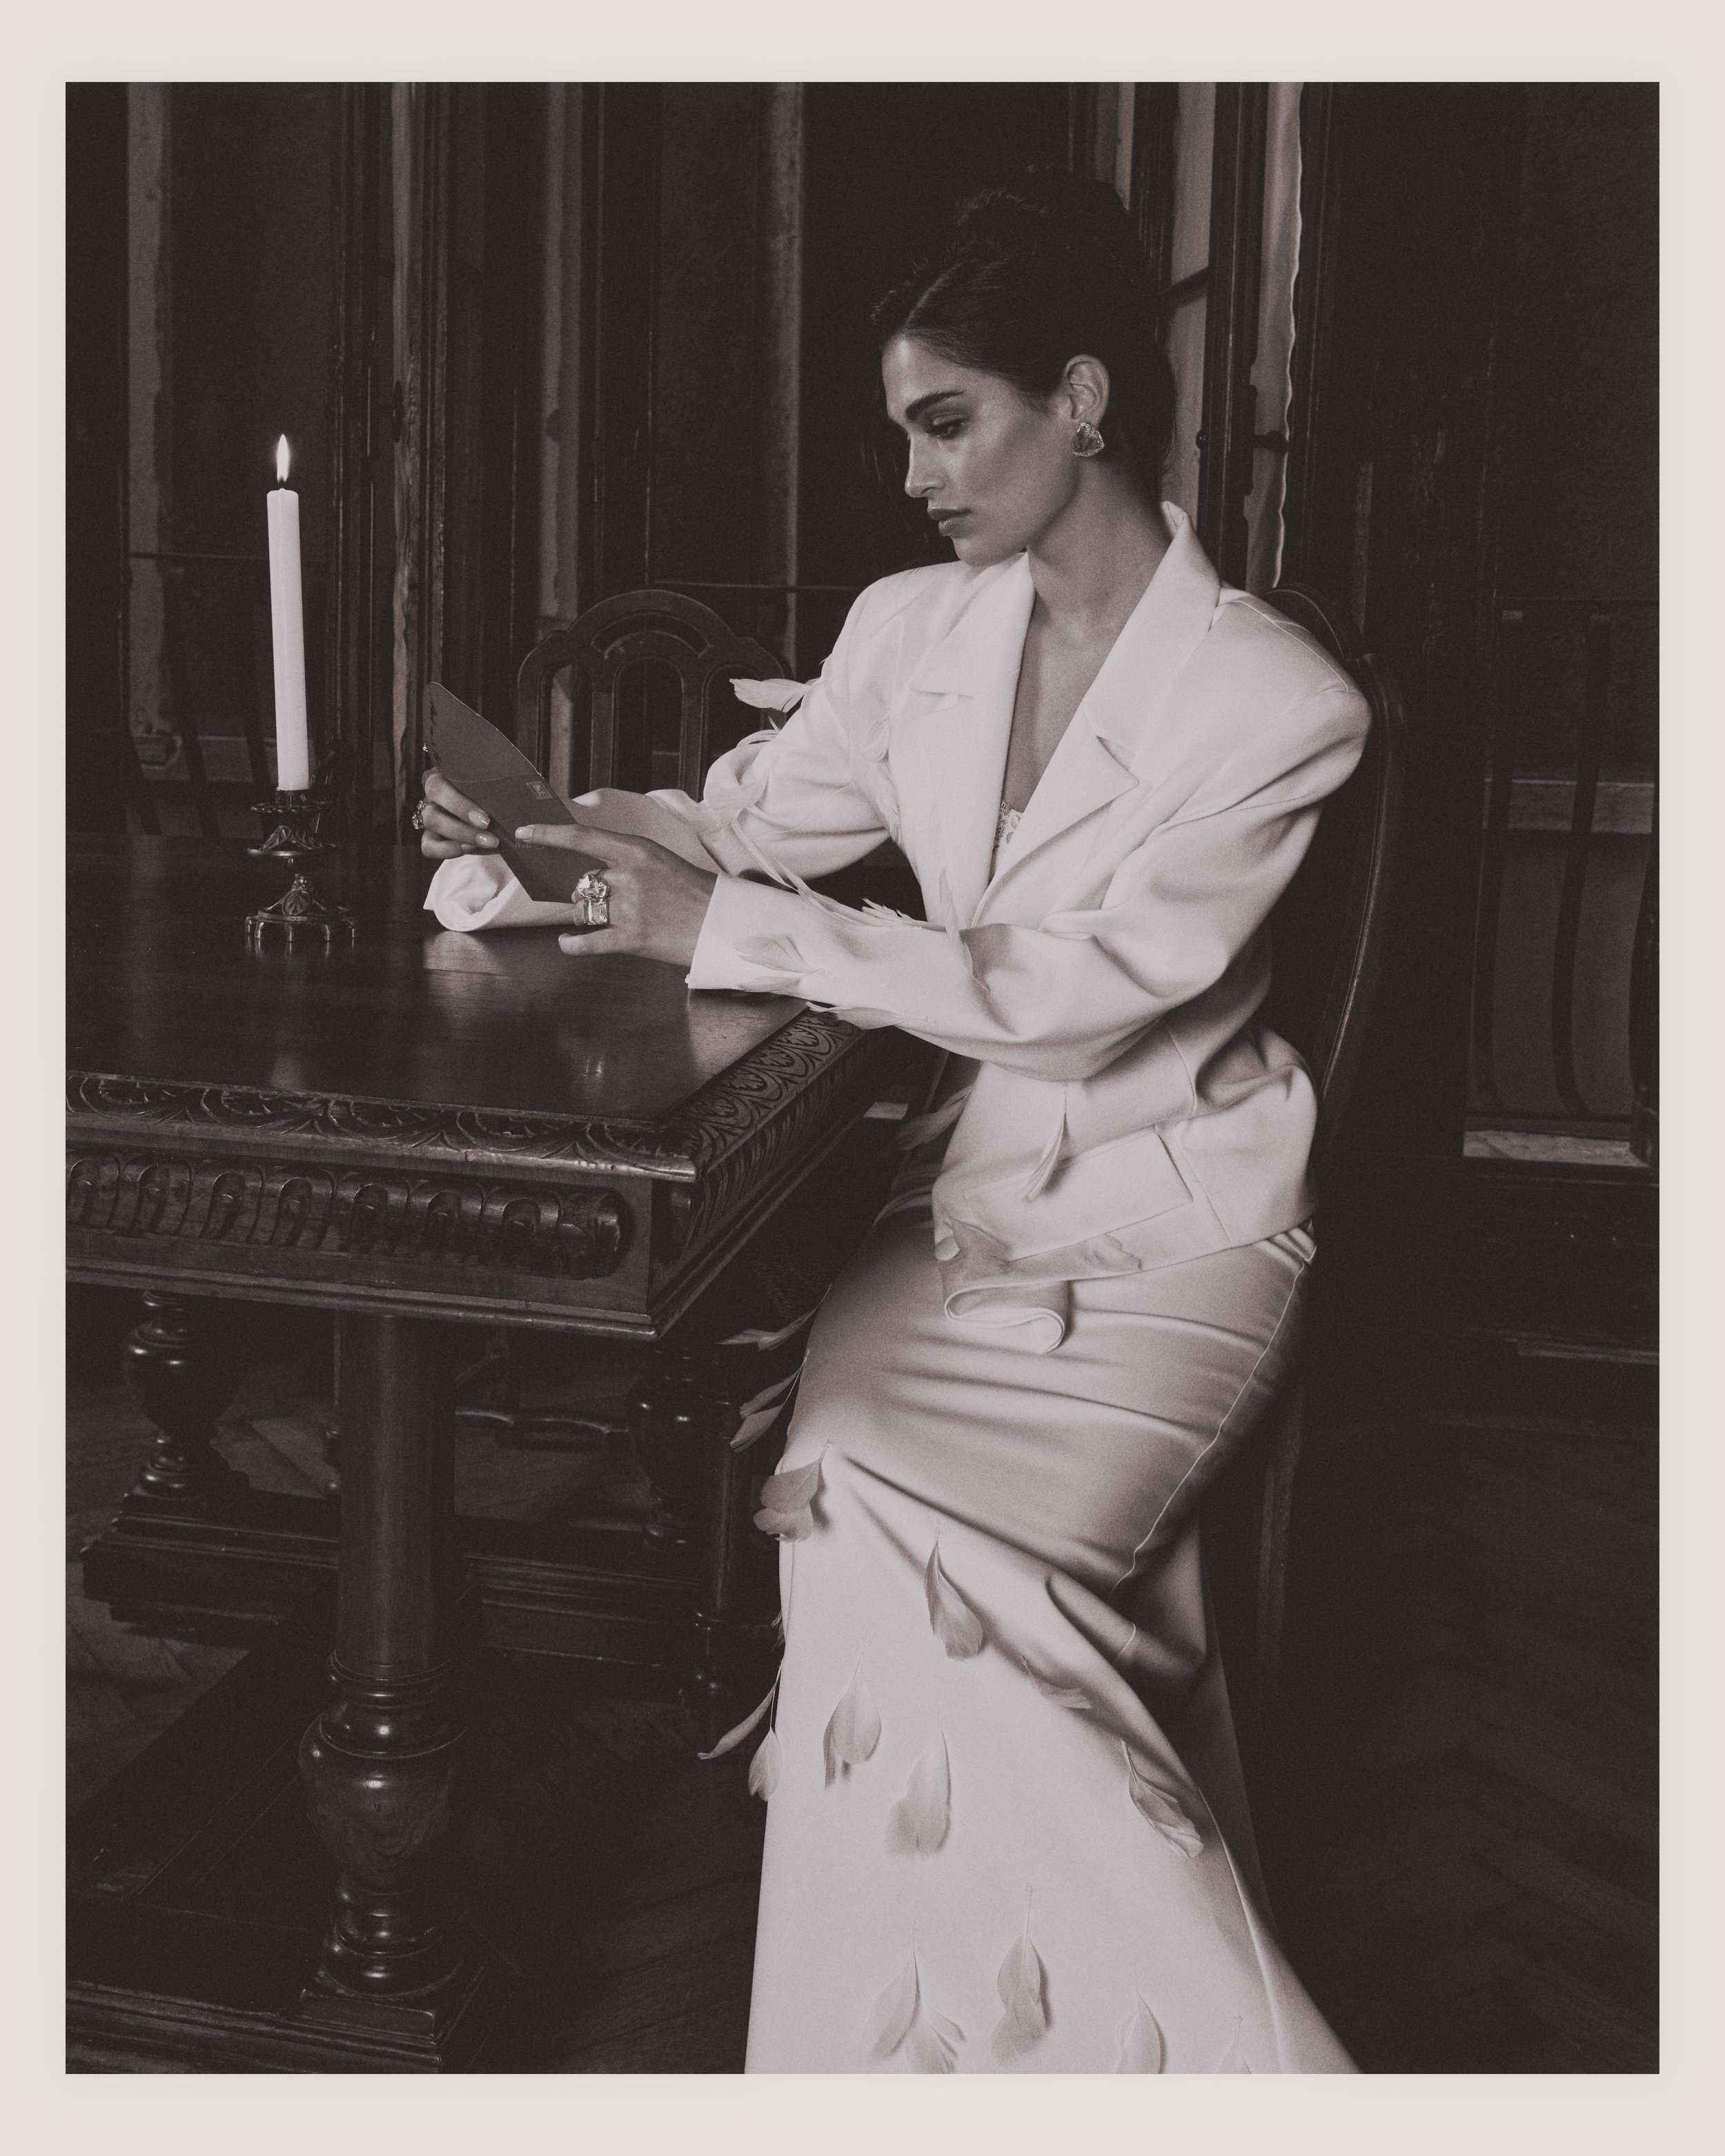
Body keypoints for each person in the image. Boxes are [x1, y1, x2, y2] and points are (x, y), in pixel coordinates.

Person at [420, 168, 1366, 2074]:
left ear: (1081, 398)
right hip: (960, 1216)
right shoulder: (909, 628)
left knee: (877, 1533)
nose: (916, 473)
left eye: (948, 422)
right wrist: (548, 843)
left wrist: (748, 924)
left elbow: (1082, 988)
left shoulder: (1275, 700)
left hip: (1172, 1236)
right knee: (851, 1501)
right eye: (901, 432)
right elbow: (744, 831)